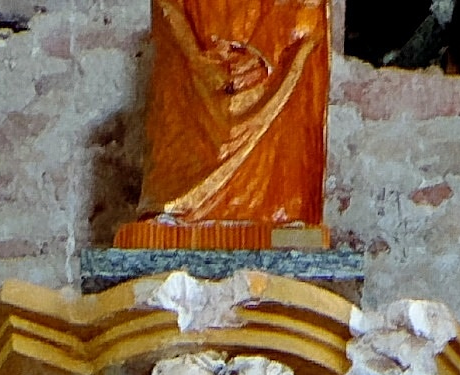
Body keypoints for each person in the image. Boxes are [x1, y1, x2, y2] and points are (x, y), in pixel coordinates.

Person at [115, 0, 330, 247]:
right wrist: (195, 58)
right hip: (200, 55)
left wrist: (265, 52)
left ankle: (277, 208)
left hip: (273, 48)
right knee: (184, 84)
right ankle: (181, 205)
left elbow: (307, 9)